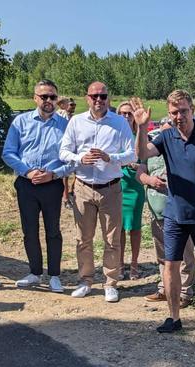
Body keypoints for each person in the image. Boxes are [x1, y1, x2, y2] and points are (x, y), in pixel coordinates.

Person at [134, 90, 195, 333]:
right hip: (175, 214)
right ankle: (174, 317)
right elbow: (141, 154)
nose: (180, 116)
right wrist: (141, 128)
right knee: (171, 265)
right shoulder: (166, 137)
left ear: (193, 110)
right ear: (169, 114)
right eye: (174, 112)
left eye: (184, 111)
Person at [59, 81, 136, 302]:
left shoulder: (119, 122)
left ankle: (110, 283)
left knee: (112, 239)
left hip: (110, 187)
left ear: (108, 98)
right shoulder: (76, 121)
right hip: (83, 187)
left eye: (103, 96)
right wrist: (79, 159)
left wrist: (110, 157)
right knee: (83, 238)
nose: (99, 100)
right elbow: (64, 152)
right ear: (87, 98)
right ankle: (86, 280)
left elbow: (131, 155)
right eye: (94, 96)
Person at [2, 79, 73, 293]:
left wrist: (54, 175)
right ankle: (34, 272)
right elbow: (8, 153)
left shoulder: (66, 126)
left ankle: (54, 275)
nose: (49, 101)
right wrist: (27, 171)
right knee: (29, 230)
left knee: (53, 231)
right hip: (27, 184)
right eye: (44, 97)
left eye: (52, 97)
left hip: (52, 185)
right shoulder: (20, 122)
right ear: (35, 98)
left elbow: (71, 160)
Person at [137, 122, 195, 308]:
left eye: (169, 128)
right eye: (163, 128)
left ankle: (185, 291)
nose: (166, 132)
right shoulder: (151, 152)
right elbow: (140, 172)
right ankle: (165, 288)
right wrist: (150, 180)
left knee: (184, 255)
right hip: (157, 211)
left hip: (180, 211)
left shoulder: (182, 148)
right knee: (163, 253)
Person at [116, 101, 146, 280]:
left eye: (129, 114)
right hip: (117, 186)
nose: (126, 117)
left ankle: (134, 264)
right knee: (118, 228)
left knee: (134, 228)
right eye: (122, 113)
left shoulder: (139, 134)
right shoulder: (113, 135)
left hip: (134, 187)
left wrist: (138, 165)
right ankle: (119, 265)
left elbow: (146, 160)